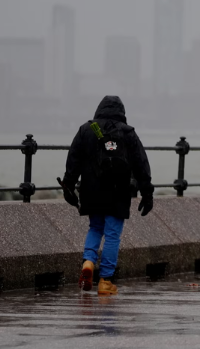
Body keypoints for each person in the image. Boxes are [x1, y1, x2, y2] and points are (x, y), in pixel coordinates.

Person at [62, 95, 154, 295]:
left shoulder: (86, 130)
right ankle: (105, 281)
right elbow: (141, 164)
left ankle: (88, 262)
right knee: (112, 234)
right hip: (118, 191)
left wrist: (68, 184)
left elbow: (74, 159)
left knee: (95, 227)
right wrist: (147, 192)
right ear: (122, 112)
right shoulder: (128, 132)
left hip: (91, 190)